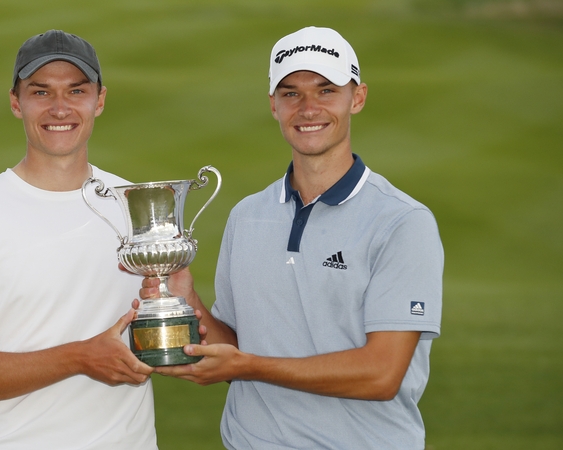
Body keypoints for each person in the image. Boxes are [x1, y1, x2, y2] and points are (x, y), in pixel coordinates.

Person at [145, 26, 443, 449]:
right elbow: (234, 348)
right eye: (291, 93)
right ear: (273, 105)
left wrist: (249, 366)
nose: (308, 108)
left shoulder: (402, 221)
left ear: (356, 98)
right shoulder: (247, 215)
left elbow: (381, 374)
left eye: (326, 91)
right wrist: (187, 300)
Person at [0, 30, 157, 449]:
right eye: (40, 92)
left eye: (76, 90)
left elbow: (179, 340)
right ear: (16, 102)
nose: (60, 108)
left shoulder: (137, 206)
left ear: (99, 100)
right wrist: (80, 357)